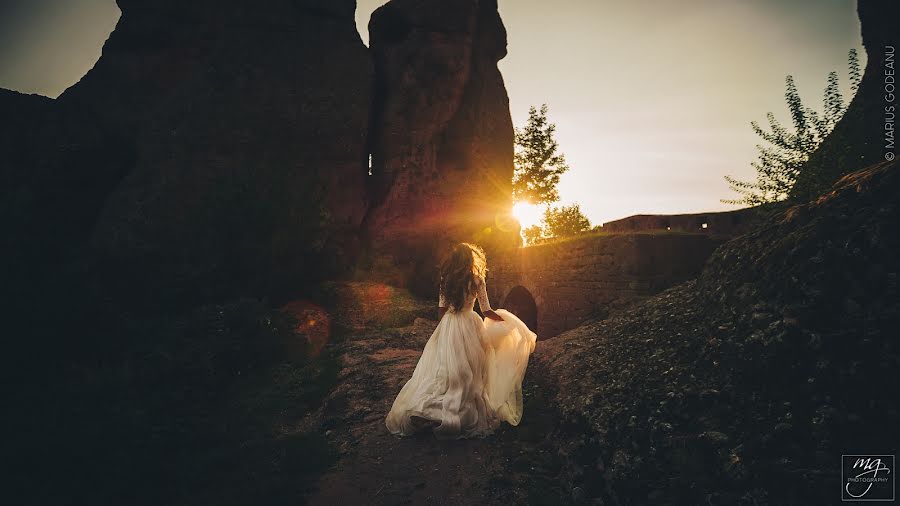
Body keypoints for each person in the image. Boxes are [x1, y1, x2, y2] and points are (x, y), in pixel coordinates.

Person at [385, 242, 537, 440]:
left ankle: (427, 408)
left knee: (444, 370)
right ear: (471, 259)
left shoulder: (446, 279)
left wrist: (444, 331)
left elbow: (441, 309)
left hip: (449, 323)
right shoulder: (477, 280)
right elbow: (486, 311)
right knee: (471, 371)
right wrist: (507, 320)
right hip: (469, 322)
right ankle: (453, 410)